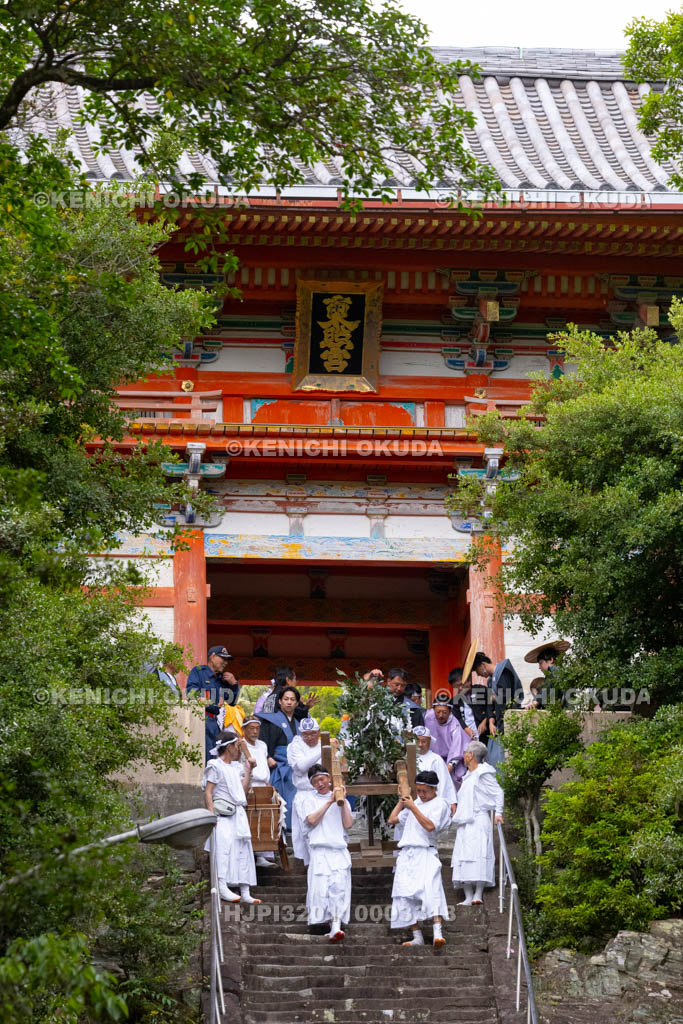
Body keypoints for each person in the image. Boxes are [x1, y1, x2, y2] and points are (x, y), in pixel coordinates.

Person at [388, 769, 451, 948]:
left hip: (426, 852)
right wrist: (403, 801)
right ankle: (417, 936)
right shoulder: (414, 803)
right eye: (419, 791)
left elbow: (430, 826)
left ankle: (438, 933)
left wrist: (413, 807)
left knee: (431, 890)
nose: (421, 794)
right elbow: (392, 819)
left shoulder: (440, 804)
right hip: (407, 853)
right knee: (404, 895)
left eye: (424, 791)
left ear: (434, 789)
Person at [202, 729, 261, 904]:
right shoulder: (214, 765)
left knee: (242, 850)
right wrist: (211, 815)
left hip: (238, 814)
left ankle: (245, 890)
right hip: (222, 815)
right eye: (237, 746)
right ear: (229, 748)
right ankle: (222, 887)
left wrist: (249, 771)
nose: (239, 750)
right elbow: (208, 792)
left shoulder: (235, 767)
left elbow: (241, 792)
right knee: (223, 850)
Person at [300, 763, 354, 943]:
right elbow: (312, 820)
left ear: (329, 779)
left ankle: (336, 926)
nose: (320, 784)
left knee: (338, 888)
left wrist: (342, 801)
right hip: (320, 850)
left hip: (338, 850)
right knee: (321, 890)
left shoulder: (340, 799)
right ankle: (330, 926)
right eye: (315, 781)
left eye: (322, 779)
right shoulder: (308, 799)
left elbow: (348, 824)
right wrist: (329, 802)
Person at [451, 740, 504, 906]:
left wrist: (499, 813)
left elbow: (498, 792)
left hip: (479, 819)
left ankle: (478, 894)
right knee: (462, 857)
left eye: (466, 752)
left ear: (471, 755)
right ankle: (467, 896)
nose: (464, 755)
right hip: (465, 822)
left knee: (479, 855)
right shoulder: (467, 776)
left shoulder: (484, 772)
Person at [256, 685, 300, 830]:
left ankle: (295, 827)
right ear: (280, 701)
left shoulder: (299, 723)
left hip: (296, 766)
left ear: (297, 703)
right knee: (279, 797)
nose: (289, 702)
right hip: (278, 764)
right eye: (286, 699)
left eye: (292, 700)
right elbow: (263, 741)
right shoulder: (271, 720)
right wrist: (268, 756)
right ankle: (280, 829)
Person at [187, 645, 239, 762]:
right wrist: (214, 704)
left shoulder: (222, 679)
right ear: (213, 656)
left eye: (227, 660)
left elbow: (232, 702)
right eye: (223, 658)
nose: (225, 662)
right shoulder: (199, 671)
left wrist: (234, 684)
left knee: (214, 759)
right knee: (203, 758)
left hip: (215, 724)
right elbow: (192, 694)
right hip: (201, 719)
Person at [472, 652, 523, 766]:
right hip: (497, 723)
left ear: (483, 665)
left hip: (508, 719)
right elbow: (490, 704)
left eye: (478, 671)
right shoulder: (490, 681)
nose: (479, 675)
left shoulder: (503, 672)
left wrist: (495, 697)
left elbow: (507, 696)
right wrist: (490, 721)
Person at [239, 717, 275, 867]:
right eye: (251, 728)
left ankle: (265, 853)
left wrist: (268, 785)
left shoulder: (263, 745)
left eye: (257, 728)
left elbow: (264, 767)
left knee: (268, 817)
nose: (255, 731)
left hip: (264, 785)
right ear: (245, 729)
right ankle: (252, 855)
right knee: (252, 819)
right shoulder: (240, 744)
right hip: (249, 784)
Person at [287, 717, 323, 865]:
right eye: (305, 734)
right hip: (304, 793)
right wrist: (322, 751)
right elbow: (301, 766)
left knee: (322, 831)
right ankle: (311, 867)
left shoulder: (322, 745)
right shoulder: (295, 746)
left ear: (318, 732)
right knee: (307, 833)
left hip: (322, 794)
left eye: (313, 734)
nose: (309, 737)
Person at [424, 693, 470, 789]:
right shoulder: (428, 718)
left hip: (452, 761)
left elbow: (457, 749)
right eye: (438, 712)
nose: (441, 715)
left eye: (444, 712)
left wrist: (449, 767)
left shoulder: (455, 725)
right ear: (433, 710)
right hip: (432, 757)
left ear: (450, 711)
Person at [412, 726, 457, 813]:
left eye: (423, 741)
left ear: (429, 741)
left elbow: (445, 782)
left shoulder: (436, 759)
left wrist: (451, 802)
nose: (420, 744)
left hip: (432, 804)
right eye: (417, 741)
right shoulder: (408, 757)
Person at [448, 668, 477, 738]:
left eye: (461, 684)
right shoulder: (455, 701)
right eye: (456, 687)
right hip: (466, 737)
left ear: (468, 680)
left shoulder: (479, 692)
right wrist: (466, 729)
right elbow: (458, 718)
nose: (460, 688)